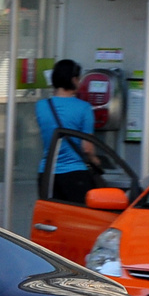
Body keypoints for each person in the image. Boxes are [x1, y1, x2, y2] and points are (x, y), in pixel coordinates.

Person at [36, 59, 99, 204]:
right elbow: (87, 148)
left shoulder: (41, 106)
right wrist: (96, 161)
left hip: (46, 174)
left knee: (51, 220)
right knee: (77, 220)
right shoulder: (84, 108)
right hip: (75, 174)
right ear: (74, 80)